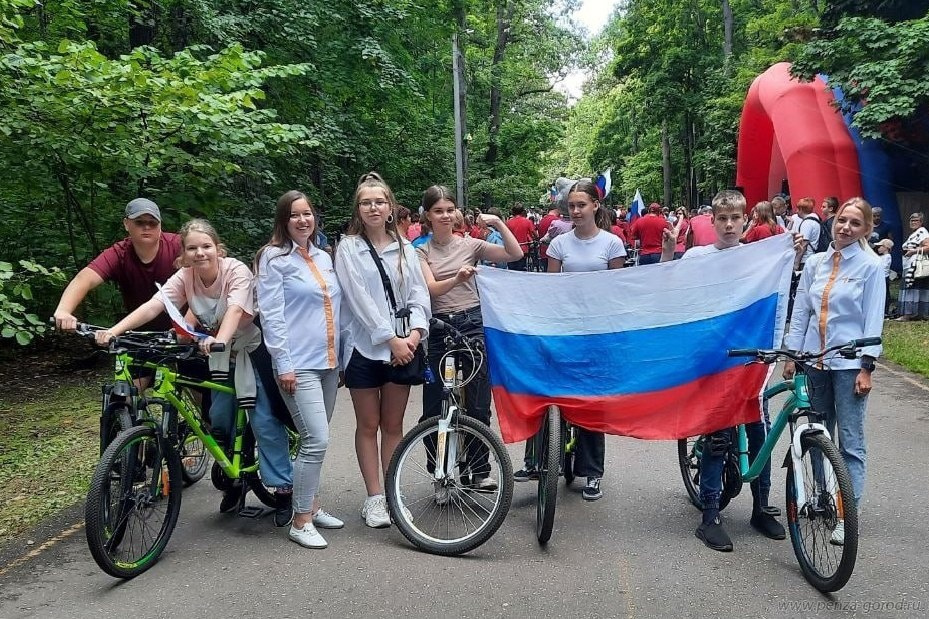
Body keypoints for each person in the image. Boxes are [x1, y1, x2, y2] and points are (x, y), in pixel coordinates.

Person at [96, 218, 294, 520]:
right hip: (219, 352)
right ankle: (234, 479)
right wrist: (115, 331)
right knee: (219, 418)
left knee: (263, 418)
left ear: (218, 248)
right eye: (192, 248)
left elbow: (235, 310)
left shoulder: (235, 270)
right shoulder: (184, 276)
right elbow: (154, 305)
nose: (200, 253)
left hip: (250, 350)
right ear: (184, 253)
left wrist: (220, 340)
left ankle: (283, 491)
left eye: (206, 246)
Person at [660, 190, 790, 552]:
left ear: (745, 220)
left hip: (750, 361)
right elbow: (668, 282)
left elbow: (782, 285)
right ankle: (710, 516)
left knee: (758, 432)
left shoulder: (757, 257)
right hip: (713, 359)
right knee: (717, 437)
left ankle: (761, 508)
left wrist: (792, 252)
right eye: (722, 219)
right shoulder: (699, 256)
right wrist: (670, 250)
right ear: (712, 221)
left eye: (735, 218)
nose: (729, 225)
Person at [784, 197, 885, 545]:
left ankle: (846, 515)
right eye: (842, 220)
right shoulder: (815, 263)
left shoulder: (871, 267)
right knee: (817, 434)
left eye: (855, 223)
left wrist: (867, 366)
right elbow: (801, 312)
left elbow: (873, 318)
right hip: (815, 361)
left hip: (849, 365)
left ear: (866, 230)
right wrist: (792, 353)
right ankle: (820, 498)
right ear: (833, 220)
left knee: (851, 443)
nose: (846, 228)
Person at [335, 173, 431, 529]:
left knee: (393, 424)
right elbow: (358, 300)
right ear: (358, 210)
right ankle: (374, 498)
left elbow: (419, 294)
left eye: (379, 201)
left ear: (390, 207)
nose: (373, 207)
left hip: (404, 346)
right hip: (365, 347)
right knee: (368, 423)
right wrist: (390, 339)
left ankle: (392, 494)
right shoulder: (348, 248)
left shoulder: (406, 248)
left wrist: (416, 334)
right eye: (366, 202)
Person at [417, 185, 522, 495]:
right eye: (438, 211)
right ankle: (440, 473)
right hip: (439, 327)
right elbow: (432, 289)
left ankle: (479, 470)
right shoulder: (420, 250)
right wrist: (458, 279)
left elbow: (514, 253)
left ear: (457, 212)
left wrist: (499, 224)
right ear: (428, 216)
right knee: (435, 407)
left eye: (449, 209)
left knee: (477, 405)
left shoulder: (471, 245)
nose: (445, 215)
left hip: (473, 323)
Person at [256, 193, 345, 548]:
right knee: (315, 440)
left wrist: (342, 359)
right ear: (283, 220)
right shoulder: (273, 259)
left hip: (328, 363)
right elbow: (271, 315)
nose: (302, 220)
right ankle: (301, 520)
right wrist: (284, 364)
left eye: (307, 213)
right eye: (294, 215)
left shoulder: (324, 257)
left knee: (317, 442)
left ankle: (312, 504)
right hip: (299, 365)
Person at [545, 179, 625, 501]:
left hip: (598, 333)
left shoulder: (612, 244)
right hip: (565, 330)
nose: (576, 211)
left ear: (596, 206)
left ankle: (591, 472)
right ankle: (539, 459)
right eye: (572, 206)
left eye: (582, 205)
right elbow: (550, 289)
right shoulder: (559, 245)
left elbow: (618, 288)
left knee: (593, 402)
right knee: (550, 394)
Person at [54, 198, 181, 332]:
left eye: (153, 223)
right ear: (126, 224)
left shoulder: (179, 245)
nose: (146, 227)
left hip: (187, 333)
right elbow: (85, 278)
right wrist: (63, 311)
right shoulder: (119, 253)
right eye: (139, 222)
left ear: (160, 225)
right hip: (137, 335)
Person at [896, 212, 929, 321]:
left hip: (915, 265)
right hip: (908, 264)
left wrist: (913, 251)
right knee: (914, 288)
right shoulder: (914, 233)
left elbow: (928, 247)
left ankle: (908, 315)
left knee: (913, 288)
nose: (913, 222)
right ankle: (916, 313)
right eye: (912, 220)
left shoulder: (923, 232)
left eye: (916, 220)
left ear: (921, 222)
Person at [505, 203, 538, 271]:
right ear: (522, 211)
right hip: (523, 249)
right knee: (521, 269)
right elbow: (535, 234)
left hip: (511, 249)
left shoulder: (508, 223)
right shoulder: (527, 222)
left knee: (511, 269)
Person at [875, 239, 894, 317]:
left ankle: (885, 311)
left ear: (886, 247)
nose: (878, 248)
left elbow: (883, 267)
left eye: (880, 247)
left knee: (885, 294)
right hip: (879, 277)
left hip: (884, 278)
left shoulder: (887, 257)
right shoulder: (881, 257)